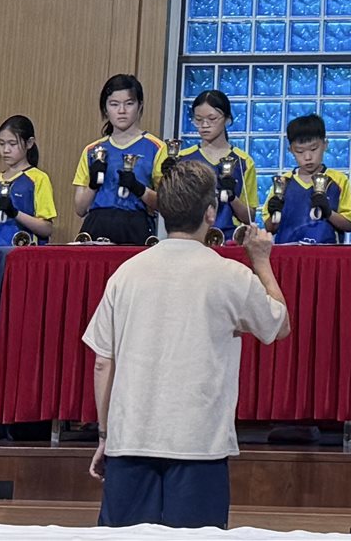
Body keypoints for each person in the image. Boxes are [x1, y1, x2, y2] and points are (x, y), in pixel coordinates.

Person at [85, 155, 290, 529]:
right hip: (198, 443)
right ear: (211, 212)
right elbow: (279, 325)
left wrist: (104, 435)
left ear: (162, 210)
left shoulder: (125, 275)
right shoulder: (229, 274)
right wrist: (261, 261)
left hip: (130, 440)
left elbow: (103, 362)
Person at [73, 73, 169, 246]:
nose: (122, 111)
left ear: (140, 106)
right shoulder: (92, 150)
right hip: (96, 226)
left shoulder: (156, 148)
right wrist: (93, 185)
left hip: (136, 227)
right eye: (114, 104)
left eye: (129, 104)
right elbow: (80, 209)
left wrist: (139, 189)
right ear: (105, 108)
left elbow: (166, 205)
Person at [171, 90, 255, 240]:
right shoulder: (183, 159)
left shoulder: (243, 161)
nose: (204, 125)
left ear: (227, 119)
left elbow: (249, 217)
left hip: (229, 240)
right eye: (198, 120)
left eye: (212, 119)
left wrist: (232, 196)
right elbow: (171, 209)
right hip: (190, 239)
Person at [264, 113, 351, 245]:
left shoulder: (338, 180)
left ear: (325, 144)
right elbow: (270, 228)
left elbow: (349, 225)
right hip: (287, 251)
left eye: (313, 149)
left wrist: (328, 212)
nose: (307, 157)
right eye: (300, 151)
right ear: (290, 150)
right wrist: (274, 212)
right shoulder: (283, 183)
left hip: (326, 252)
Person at [0, 115, 56, 247]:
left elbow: (46, 229)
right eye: (1, 144)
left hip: (22, 255)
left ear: (29, 143)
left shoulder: (38, 179)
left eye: (12, 144)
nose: (6, 150)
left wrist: (15, 213)